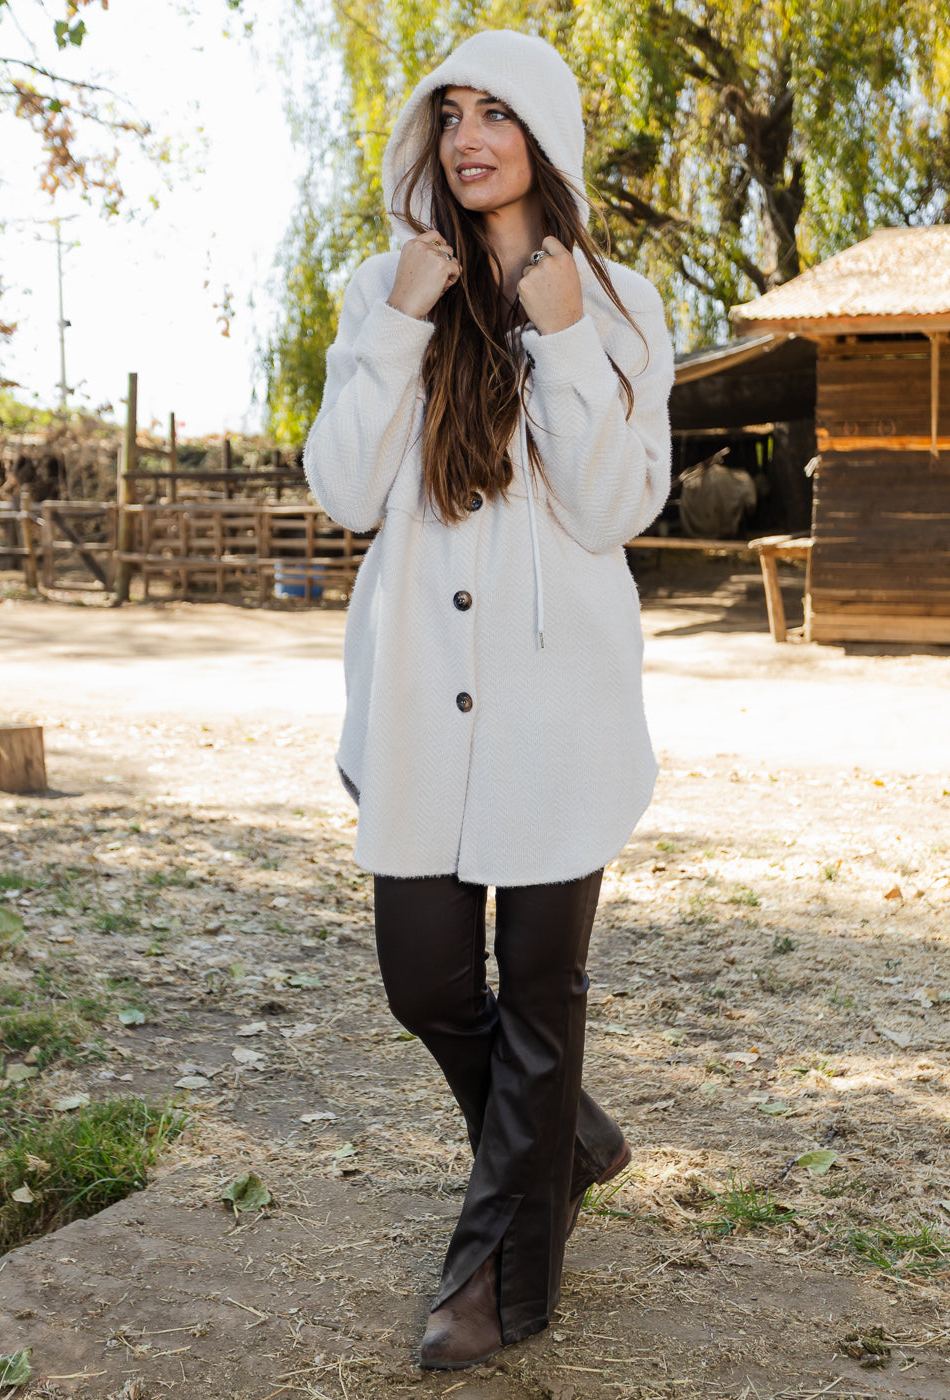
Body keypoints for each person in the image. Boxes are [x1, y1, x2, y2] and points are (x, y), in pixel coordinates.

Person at [304, 28, 673, 1371]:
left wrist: (566, 340)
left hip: (560, 703)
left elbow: (615, 506)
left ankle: (496, 1283)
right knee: (426, 980)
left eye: (496, 114)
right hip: (418, 698)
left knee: (542, 991)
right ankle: (566, 1141)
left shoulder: (619, 300)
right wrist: (401, 323)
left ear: (545, 134)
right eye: (449, 113)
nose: (468, 137)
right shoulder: (383, 285)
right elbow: (345, 489)